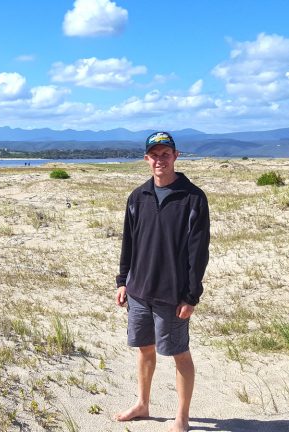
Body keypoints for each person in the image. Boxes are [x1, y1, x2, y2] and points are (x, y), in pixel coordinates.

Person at [114, 131, 210, 432]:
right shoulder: (137, 196)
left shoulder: (193, 198)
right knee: (144, 348)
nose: (160, 160)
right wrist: (122, 281)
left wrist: (191, 296)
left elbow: (199, 250)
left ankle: (181, 417)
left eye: (165, 154)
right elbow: (128, 242)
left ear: (176, 156)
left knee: (179, 354)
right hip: (139, 290)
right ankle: (142, 404)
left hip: (173, 295)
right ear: (146, 159)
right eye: (154, 154)